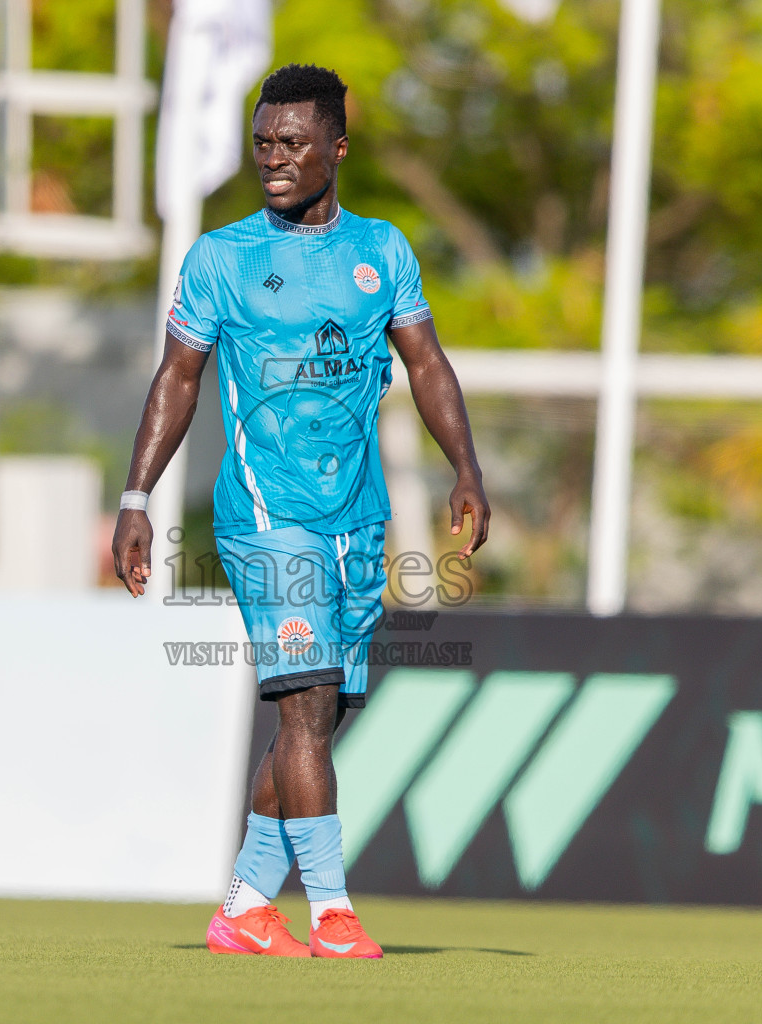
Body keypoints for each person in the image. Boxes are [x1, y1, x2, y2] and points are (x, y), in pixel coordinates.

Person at [112, 63, 489, 960]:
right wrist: (136, 495)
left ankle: (244, 905)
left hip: (357, 519)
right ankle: (333, 912)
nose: (272, 159)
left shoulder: (383, 251)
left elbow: (428, 365)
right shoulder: (221, 257)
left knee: (320, 718)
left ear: (337, 148)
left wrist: (466, 466)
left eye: (291, 143)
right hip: (267, 518)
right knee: (304, 704)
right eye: (262, 144)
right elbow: (178, 378)